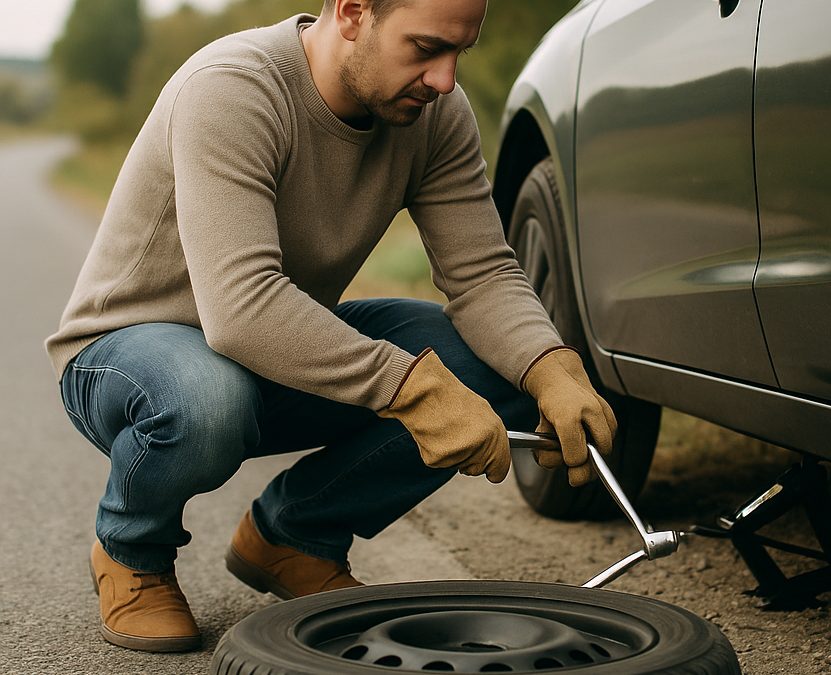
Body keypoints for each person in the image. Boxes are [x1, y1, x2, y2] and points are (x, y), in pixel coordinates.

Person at [45, 0, 617, 655]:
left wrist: (553, 367)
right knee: (206, 394)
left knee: (490, 366)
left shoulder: (435, 115)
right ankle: (132, 548)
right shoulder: (234, 88)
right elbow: (241, 306)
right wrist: (415, 390)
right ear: (351, 12)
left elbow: (483, 272)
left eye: (460, 53)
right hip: (125, 355)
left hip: (266, 355)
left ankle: (293, 536)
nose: (446, 79)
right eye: (426, 47)